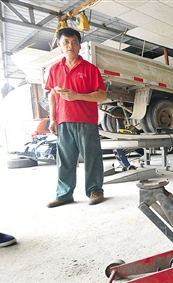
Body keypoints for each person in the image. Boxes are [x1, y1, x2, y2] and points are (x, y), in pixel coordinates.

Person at [45, 28, 107, 208]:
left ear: (79, 46)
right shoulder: (54, 69)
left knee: (91, 158)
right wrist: (53, 118)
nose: (70, 45)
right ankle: (64, 194)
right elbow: (52, 94)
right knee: (64, 160)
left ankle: (95, 190)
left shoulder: (90, 69)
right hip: (64, 121)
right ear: (59, 45)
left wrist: (77, 96)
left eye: (74, 42)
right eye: (66, 42)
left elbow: (102, 95)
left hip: (86, 120)